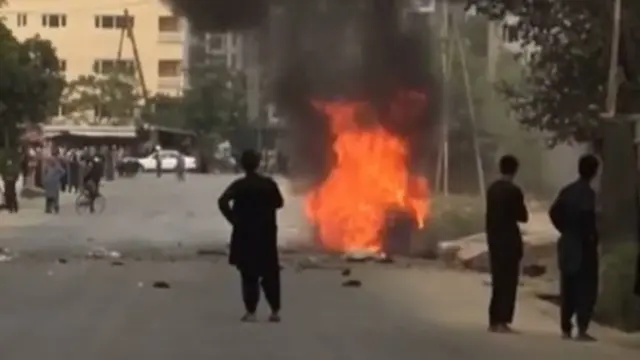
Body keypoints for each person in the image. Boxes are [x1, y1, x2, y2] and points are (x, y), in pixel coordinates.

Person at [218, 149, 284, 323]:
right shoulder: (269, 184)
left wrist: (234, 219)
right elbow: (279, 203)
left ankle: (251, 312)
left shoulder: (240, 185)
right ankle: (275, 311)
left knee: (248, 274)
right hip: (266, 234)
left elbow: (222, 201)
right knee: (270, 272)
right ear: (259, 163)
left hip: (245, 234)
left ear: (242, 165)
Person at [549, 154, 600, 341]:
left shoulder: (567, 191)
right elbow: (588, 219)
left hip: (567, 243)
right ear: (594, 172)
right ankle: (582, 328)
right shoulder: (588, 194)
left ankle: (565, 327)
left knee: (567, 286)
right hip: (584, 246)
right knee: (586, 287)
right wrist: (592, 236)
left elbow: (553, 212)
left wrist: (564, 229)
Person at [485, 154, 528, 333]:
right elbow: (523, 217)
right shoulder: (514, 191)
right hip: (510, 240)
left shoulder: (492, 189)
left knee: (497, 280)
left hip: (494, 239)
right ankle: (503, 320)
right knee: (509, 282)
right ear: (515, 171)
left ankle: (493, 320)